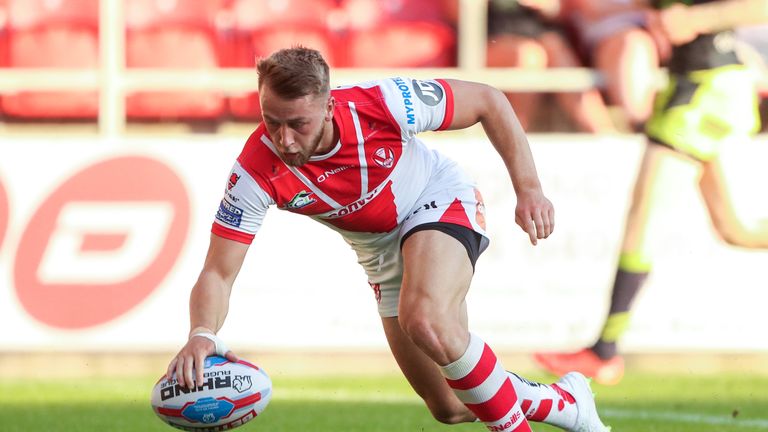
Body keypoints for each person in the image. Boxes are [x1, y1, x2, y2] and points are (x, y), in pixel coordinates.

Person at [165, 47, 610, 431]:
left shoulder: (384, 103)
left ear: (329, 107)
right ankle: (566, 402)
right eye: (271, 121)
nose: (283, 138)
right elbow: (218, 273)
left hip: (437, 198)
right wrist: (202, 333)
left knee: (426, 318)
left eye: (297, 123)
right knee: (452, 406)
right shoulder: (255, 170)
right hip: (379, 254)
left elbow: (489, 101)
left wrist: (529, 188)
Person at [535, 0, 768, 386]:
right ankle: (604, 352)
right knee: (734, 229)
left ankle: (604, 351)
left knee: (643, 213)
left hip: (708, 90)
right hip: (688, 85)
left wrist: (697, 18)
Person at [486, 0, 617, 132]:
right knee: (528, 55)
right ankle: (513, 134)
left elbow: (567, 10)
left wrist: (549, 6)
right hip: (489, 40)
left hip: (539, 36)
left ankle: (603, 132)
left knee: (554, 46)